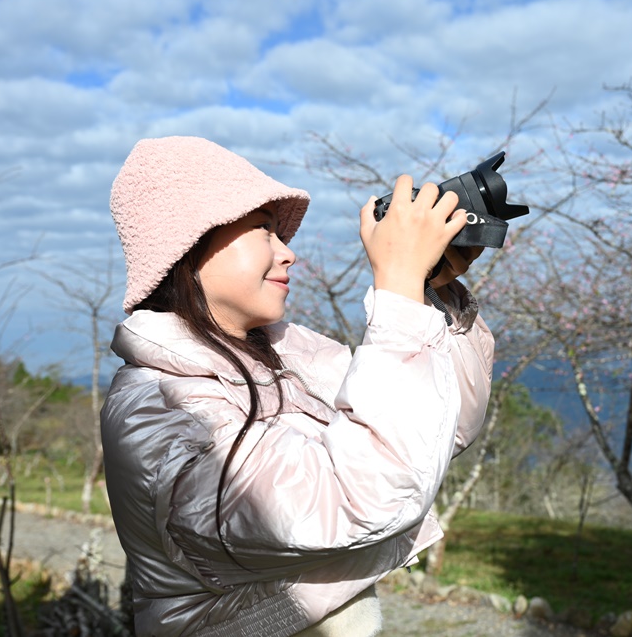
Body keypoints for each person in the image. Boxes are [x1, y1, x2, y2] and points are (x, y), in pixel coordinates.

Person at [101, 135, 494, 637]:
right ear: (189, 243)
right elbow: (357, 499)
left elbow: (444, 429)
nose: (288, 254)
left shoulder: (287, 356)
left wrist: (427, 290)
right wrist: (395, 288)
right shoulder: (159, 406)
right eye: (263, 230)